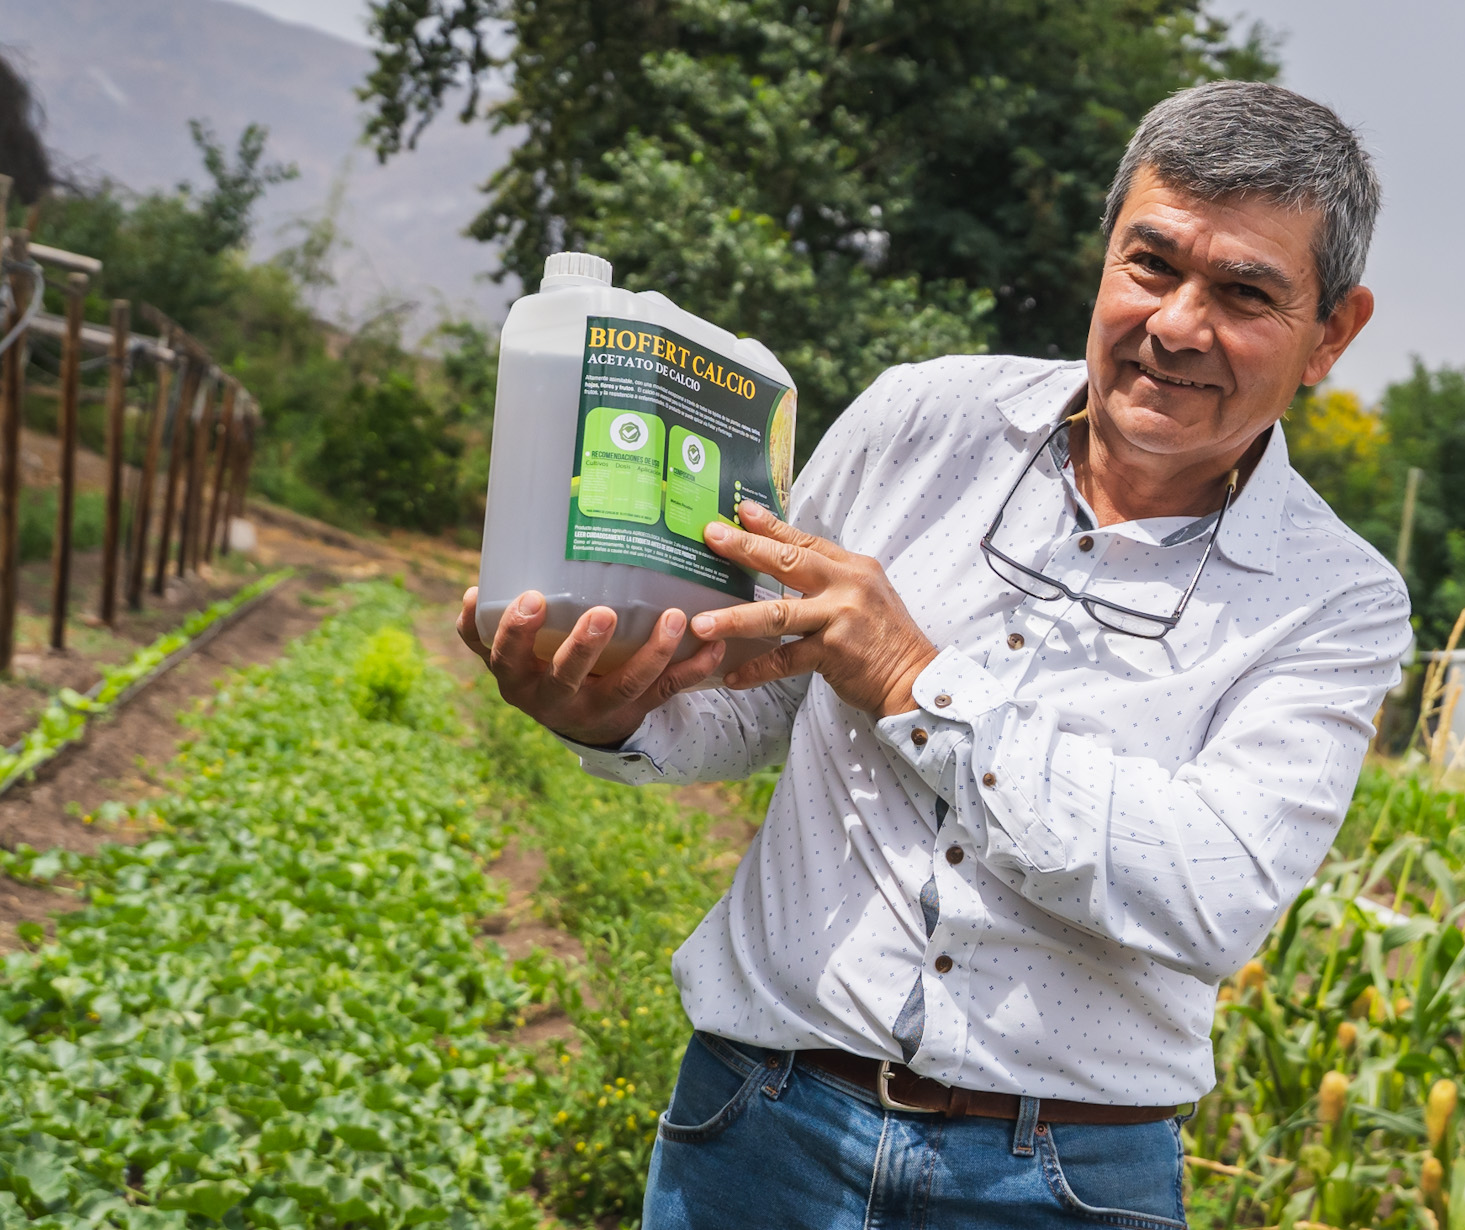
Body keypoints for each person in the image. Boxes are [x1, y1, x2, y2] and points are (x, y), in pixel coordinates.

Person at [459, 79, 1412, 1228]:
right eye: (1150, 265)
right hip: (759, 1124)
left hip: (1062, 1186)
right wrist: (610, 703)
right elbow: (750, 702)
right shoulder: (922, 419)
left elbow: (1209, 895)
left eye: (1243, 292)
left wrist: (914, 680)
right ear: (1106, 256)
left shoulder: (1334, 600)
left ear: (1330, 333)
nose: (1174, 325)